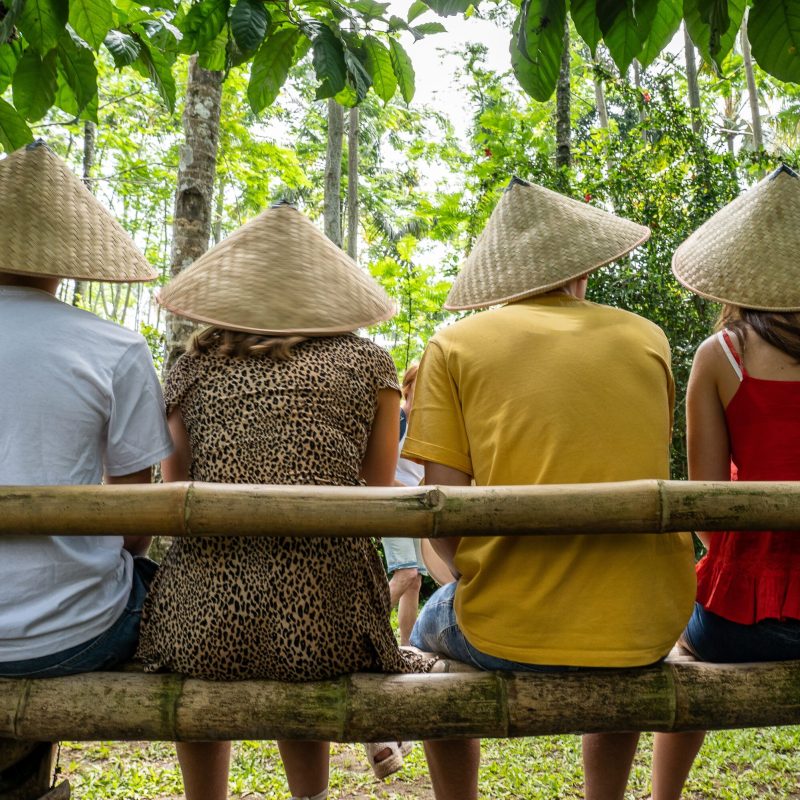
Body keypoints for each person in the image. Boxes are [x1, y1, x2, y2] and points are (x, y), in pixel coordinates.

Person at [402, 177, 697, 800]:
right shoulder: (648, 338)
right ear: (582, 269)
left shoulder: (453, 345)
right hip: (642, 625)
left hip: (504, 626)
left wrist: (479, 580)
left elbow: (443, 513)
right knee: (611, 629)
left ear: (502, 279)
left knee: (428, 630)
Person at [136, 201, 434, 800]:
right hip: (330, 620)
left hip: (201, 620)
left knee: (208, 635)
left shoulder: (190, 364)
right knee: (306, 607)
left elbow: (174, 491)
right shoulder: (369, 362)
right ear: (328, 292)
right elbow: (377, 497)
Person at [0, 142, 173, 799]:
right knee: (135, 577)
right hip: (70, 636)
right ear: (70, 262)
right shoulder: (116, 348)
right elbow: (133, 527)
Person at [651, 165, 800, 799]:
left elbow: (708, 510)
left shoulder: (721, 355)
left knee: (683, 652)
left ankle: (663, 799)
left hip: (748, 618)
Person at [383, 364, 427, 647]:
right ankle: (363, 628)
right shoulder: (395, 420)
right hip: (392, 505)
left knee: (415, 581)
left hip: (416, 507)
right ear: (408, 388)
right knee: (405, 573)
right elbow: (379, 476)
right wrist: (414, 493)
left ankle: (408, 648)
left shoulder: (427, 427)